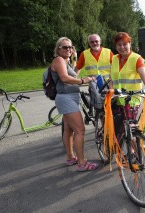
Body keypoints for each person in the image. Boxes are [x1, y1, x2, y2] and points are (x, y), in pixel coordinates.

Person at [50, 37, 98, 171]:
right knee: (80, 130)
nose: (68, 49)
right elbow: (65, 78)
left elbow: (72, 73)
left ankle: (71, 157)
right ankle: (82, 163)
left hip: (68, 98)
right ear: (58, 49)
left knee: (68, 129)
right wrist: (83, 81)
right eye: (65, 47)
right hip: (66, 98)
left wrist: (75, 58)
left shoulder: (65, 61)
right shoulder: (59, 60)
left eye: (70, 47)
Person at [109, 32, 145, 131]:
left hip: (132, 99)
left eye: (124, 44)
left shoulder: (137, 59)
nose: (122, 47)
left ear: (130, 44)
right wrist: (111, 90)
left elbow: (144, 75)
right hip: (117, 98)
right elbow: (111, 77)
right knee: (117, 128)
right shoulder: (114, 59)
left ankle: (133, 146)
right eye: (119, 45)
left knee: (130, 128)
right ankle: (117, 145)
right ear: (116, 46)